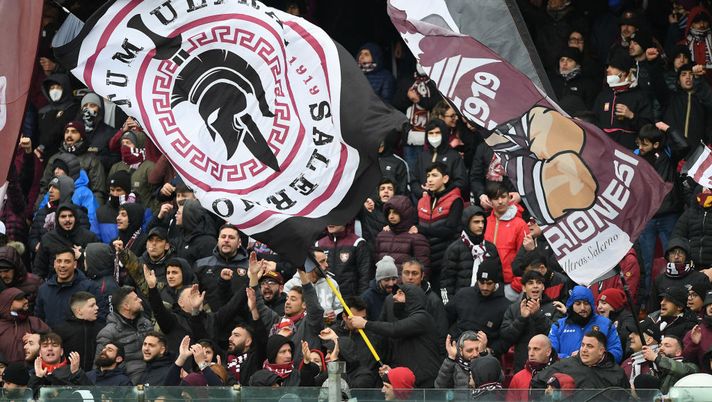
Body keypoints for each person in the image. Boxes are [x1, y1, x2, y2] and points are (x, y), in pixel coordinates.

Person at [349, 283, 441, 388]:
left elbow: (394, 329)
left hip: (426, 384)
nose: (394, 297)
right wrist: (392, 371)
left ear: (412, 298)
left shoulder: (422, 318)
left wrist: (365, 324)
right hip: (408, 382)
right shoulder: (403, 321)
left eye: (400, 293)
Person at [636, 123, 689, 304]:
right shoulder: (635, 158)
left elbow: (684, 146)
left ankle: (676, 298)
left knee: (673, 260)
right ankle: (647, 302)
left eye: (645, 144)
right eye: (639, 143)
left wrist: (668, 129)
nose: (640, 148)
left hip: (669, 215)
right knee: (647, 264)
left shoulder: (667, 155)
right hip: (647, 218)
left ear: (656, 144)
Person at [252, 258, 324, 363]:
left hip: (303, 374)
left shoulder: (310, 323)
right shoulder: (277, 321)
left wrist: (302, 273)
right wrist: (253, 276)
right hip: (278, 375)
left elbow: (314, 306)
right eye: (287, 299)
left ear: (304, 304)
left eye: (293, 299)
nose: (288, 302)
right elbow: (258, 303)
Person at [414, 162, 464, 293]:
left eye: (435, 175)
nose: (429, 179)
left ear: (445, 179)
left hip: (445, 262)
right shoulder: (421, 201)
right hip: (424, 261)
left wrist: (422, 230)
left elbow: (449, 231)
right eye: (428, 175)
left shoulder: (455, 200)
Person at [446, 257, 511, 355]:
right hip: (456, 350)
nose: (485, 287)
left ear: (496, 283)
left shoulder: (505, 306)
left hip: (483, 355)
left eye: (489, 283)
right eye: (482, 283)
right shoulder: (463, 295)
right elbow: (445, 318)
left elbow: (505, 339)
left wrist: (490, 351)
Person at [592, 48, 654, 150]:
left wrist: (631, 116)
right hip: (603, 151)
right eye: (608, 66)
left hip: (628, 153)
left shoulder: (640, 96)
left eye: (612, 67)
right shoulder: (603, 95)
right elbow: (593, 123)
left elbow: (648, 129)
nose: (608, 70)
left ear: (624, 72)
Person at [501, 270, 562, 371]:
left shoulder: (554, 307)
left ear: (543, 287)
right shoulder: (514, 308)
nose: (535, 286)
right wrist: (522, 318)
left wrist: (538, 314)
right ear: (524, 288)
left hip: (548, 367)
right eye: (530, 283)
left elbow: (555, 334)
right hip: (522, 366)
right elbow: (506, 337)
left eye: (539, 283)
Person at [548, 286, 623, 363]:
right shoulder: (559, 325)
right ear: (571, 305)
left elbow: (616, 352)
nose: (582, 308)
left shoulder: (606, 324)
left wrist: (596, 358)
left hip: (597, 371)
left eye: (586, 303)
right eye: (578, 304)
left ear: (592, 305)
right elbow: (549, 353)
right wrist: (570, 358)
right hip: (566, 371)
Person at [318, 296, 381, 388]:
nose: (360, 322)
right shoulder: (333, 331)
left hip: (362, 385)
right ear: (344, 317)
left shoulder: (373, 336)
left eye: (363, 318)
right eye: (355, 318)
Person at [39, 121, 107, 206]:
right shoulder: (54, 159)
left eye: (74, 131)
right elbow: (44, 188)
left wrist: (95, 214)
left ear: (81, 136)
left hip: (81, 209)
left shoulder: (92, 160)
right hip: (54, 210)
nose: (69, 135)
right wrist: (37, 211)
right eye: (67, 132)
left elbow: (98, 192)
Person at [95, 286, 153, 384]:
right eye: (135, 299)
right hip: (127, 380)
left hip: (152, 370)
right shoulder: (108, 333)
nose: (140, 300)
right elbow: (99, 365)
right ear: (126, 306)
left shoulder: (146, 323)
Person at [532, 330, 628, 389]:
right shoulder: (565, 365)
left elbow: (627, 398)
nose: (584, 350)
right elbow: (537, 383)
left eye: (590, 346)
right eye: (583, 345)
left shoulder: (617, 373)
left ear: (601, 351)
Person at [441, 205, 499, 301]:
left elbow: (498, 279)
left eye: (483, 222)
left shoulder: (490, 248)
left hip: (487, 302)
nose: (481, 225)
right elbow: (446, 283)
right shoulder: (454, 249)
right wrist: (449, 306)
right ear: (467, 223)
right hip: (462, 303)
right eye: (476, 222)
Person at [35, 248, 101, 328]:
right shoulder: (43, 290)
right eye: (59, 261)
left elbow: (100, 317)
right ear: (54, 264)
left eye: (67, 261)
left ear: (75, 264)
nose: (62, 265)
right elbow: (38, 320)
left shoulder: (90, 287)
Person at [483, 183, 527, 300]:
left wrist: (517, 284)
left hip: (510, 286)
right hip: (486, 284)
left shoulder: (519, 224)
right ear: (490, 201)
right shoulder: (485, 222)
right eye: (496, 198)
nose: (500, 201)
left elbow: (526, 256)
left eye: (503, 197)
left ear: (509, 198)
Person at [33, 202, 98, 280]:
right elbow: (39, 269)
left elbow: (98, 264)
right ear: (57, 219)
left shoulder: (89, 237)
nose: (67, 219)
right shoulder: (48, 238)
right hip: (55, 286)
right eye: (63, 216)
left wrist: (83, 254)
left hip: (82, 286)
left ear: (76, 218)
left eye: (70, 216)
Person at [195, 223, 249, 312]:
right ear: (218, 240)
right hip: (208, 319)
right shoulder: (201, 265)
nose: (226, 240)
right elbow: (194, 292)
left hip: (239, 322)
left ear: (239, 243)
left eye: (231, 237)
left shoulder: (249, 268)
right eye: (223, 237)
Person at [648, 238, 709, 312]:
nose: (676, 256)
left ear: (686, 256)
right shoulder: (659, 280)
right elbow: (653, 310)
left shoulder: (700, 278)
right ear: (668, 256)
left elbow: (707, 308)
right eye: (673, 253)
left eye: (681, 253)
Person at [410, 120, 468, 197]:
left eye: (437, 133)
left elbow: (461, 182)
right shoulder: (422, 156)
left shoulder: (454, 156)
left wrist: (442, 190)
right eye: (431, 133)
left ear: (443, 134)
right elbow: (414, 181)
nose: (434, 136)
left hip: (447, 201)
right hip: (424, 201)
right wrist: (422, 192)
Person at [663, 62, 712, 150]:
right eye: (683, 74)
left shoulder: (702, 98)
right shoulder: (670, 98)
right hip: (673, 149)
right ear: (678, 81)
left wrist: (698, 79)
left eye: (691, 74)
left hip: (698, 151)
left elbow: (709, 100)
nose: (688, 77)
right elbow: (657, 84)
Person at [315, 223, 371, 299]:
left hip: (349, 300)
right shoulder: (319, 244)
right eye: (329, 218)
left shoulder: (357, 242)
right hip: (324, 299)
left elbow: (364, 276)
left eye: (335, 218)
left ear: (345, 219)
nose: (330, 222)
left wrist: (360, 301)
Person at [375, 195, 430, 270]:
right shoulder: (382, 235)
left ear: (405, 214)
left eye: (395, 212)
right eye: (389, 213)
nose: (391, 216)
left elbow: (423, 269)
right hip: (383, 281)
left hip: (406, 281)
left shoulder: (417, 239)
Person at [107, 130, 157, 211]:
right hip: (117, 215)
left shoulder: (149, 167)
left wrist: (150, 214)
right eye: (123, 143)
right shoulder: (116, 167)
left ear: (138, 145)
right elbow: (109, 191)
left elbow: (155, 195)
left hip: (143, 216)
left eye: (128, 143)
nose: (124, 146)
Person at [53, 292, 101, 372]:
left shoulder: (101, 329)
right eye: (92, 306)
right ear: (79, 310)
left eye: (96, 304)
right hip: (67, 378)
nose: (97, 308)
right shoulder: (61, 330)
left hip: (96, 378)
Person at [248, 334, 320, 386]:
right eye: (283, 352)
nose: (288, 355)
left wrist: (306, 362)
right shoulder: (259, 377)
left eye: (290, 351)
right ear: (273, 355)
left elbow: (308, 393)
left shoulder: (296, 375)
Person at [0, 288, 49, 364]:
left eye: (25, 298)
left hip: (34, 372)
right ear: (7, 303)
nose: (26, 301)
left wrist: (37, 337)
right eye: (20, 299)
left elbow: (53, 341)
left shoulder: (34, 322)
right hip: (6, 373)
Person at [506, 334, 557, 402]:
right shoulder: (518, 377)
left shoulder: (559, 374)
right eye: (529, 349)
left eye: (536, 349)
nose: (531, 353)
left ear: (548, 352)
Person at [673, 186, 712, 269]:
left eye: (709, 188)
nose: (706, 191)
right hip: (692, 265)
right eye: (704, 188)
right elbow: (677, 236)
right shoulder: (689, 213)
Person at [595, 288, 638, 356]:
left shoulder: (628, 319)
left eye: (604, 303)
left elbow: (629, 347)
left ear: (615, 304)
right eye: (598, 304)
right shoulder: (600, 321)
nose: (599, 307)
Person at [0, 246, 42, 312]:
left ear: (16, 269)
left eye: (6, 271)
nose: (3, 275)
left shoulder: (36, 283)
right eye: (0, 272)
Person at [361, 256, 399, 320]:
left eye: (394, 279)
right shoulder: (367, 298)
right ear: (379, 280)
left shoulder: (399, 294)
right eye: (387, 280)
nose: (391, 283)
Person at [683, 290, 712, 373]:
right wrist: (694, 344)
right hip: (704, 380)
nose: (711, 307)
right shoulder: (695, 332)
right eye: (709, 304)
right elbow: (687, 362)